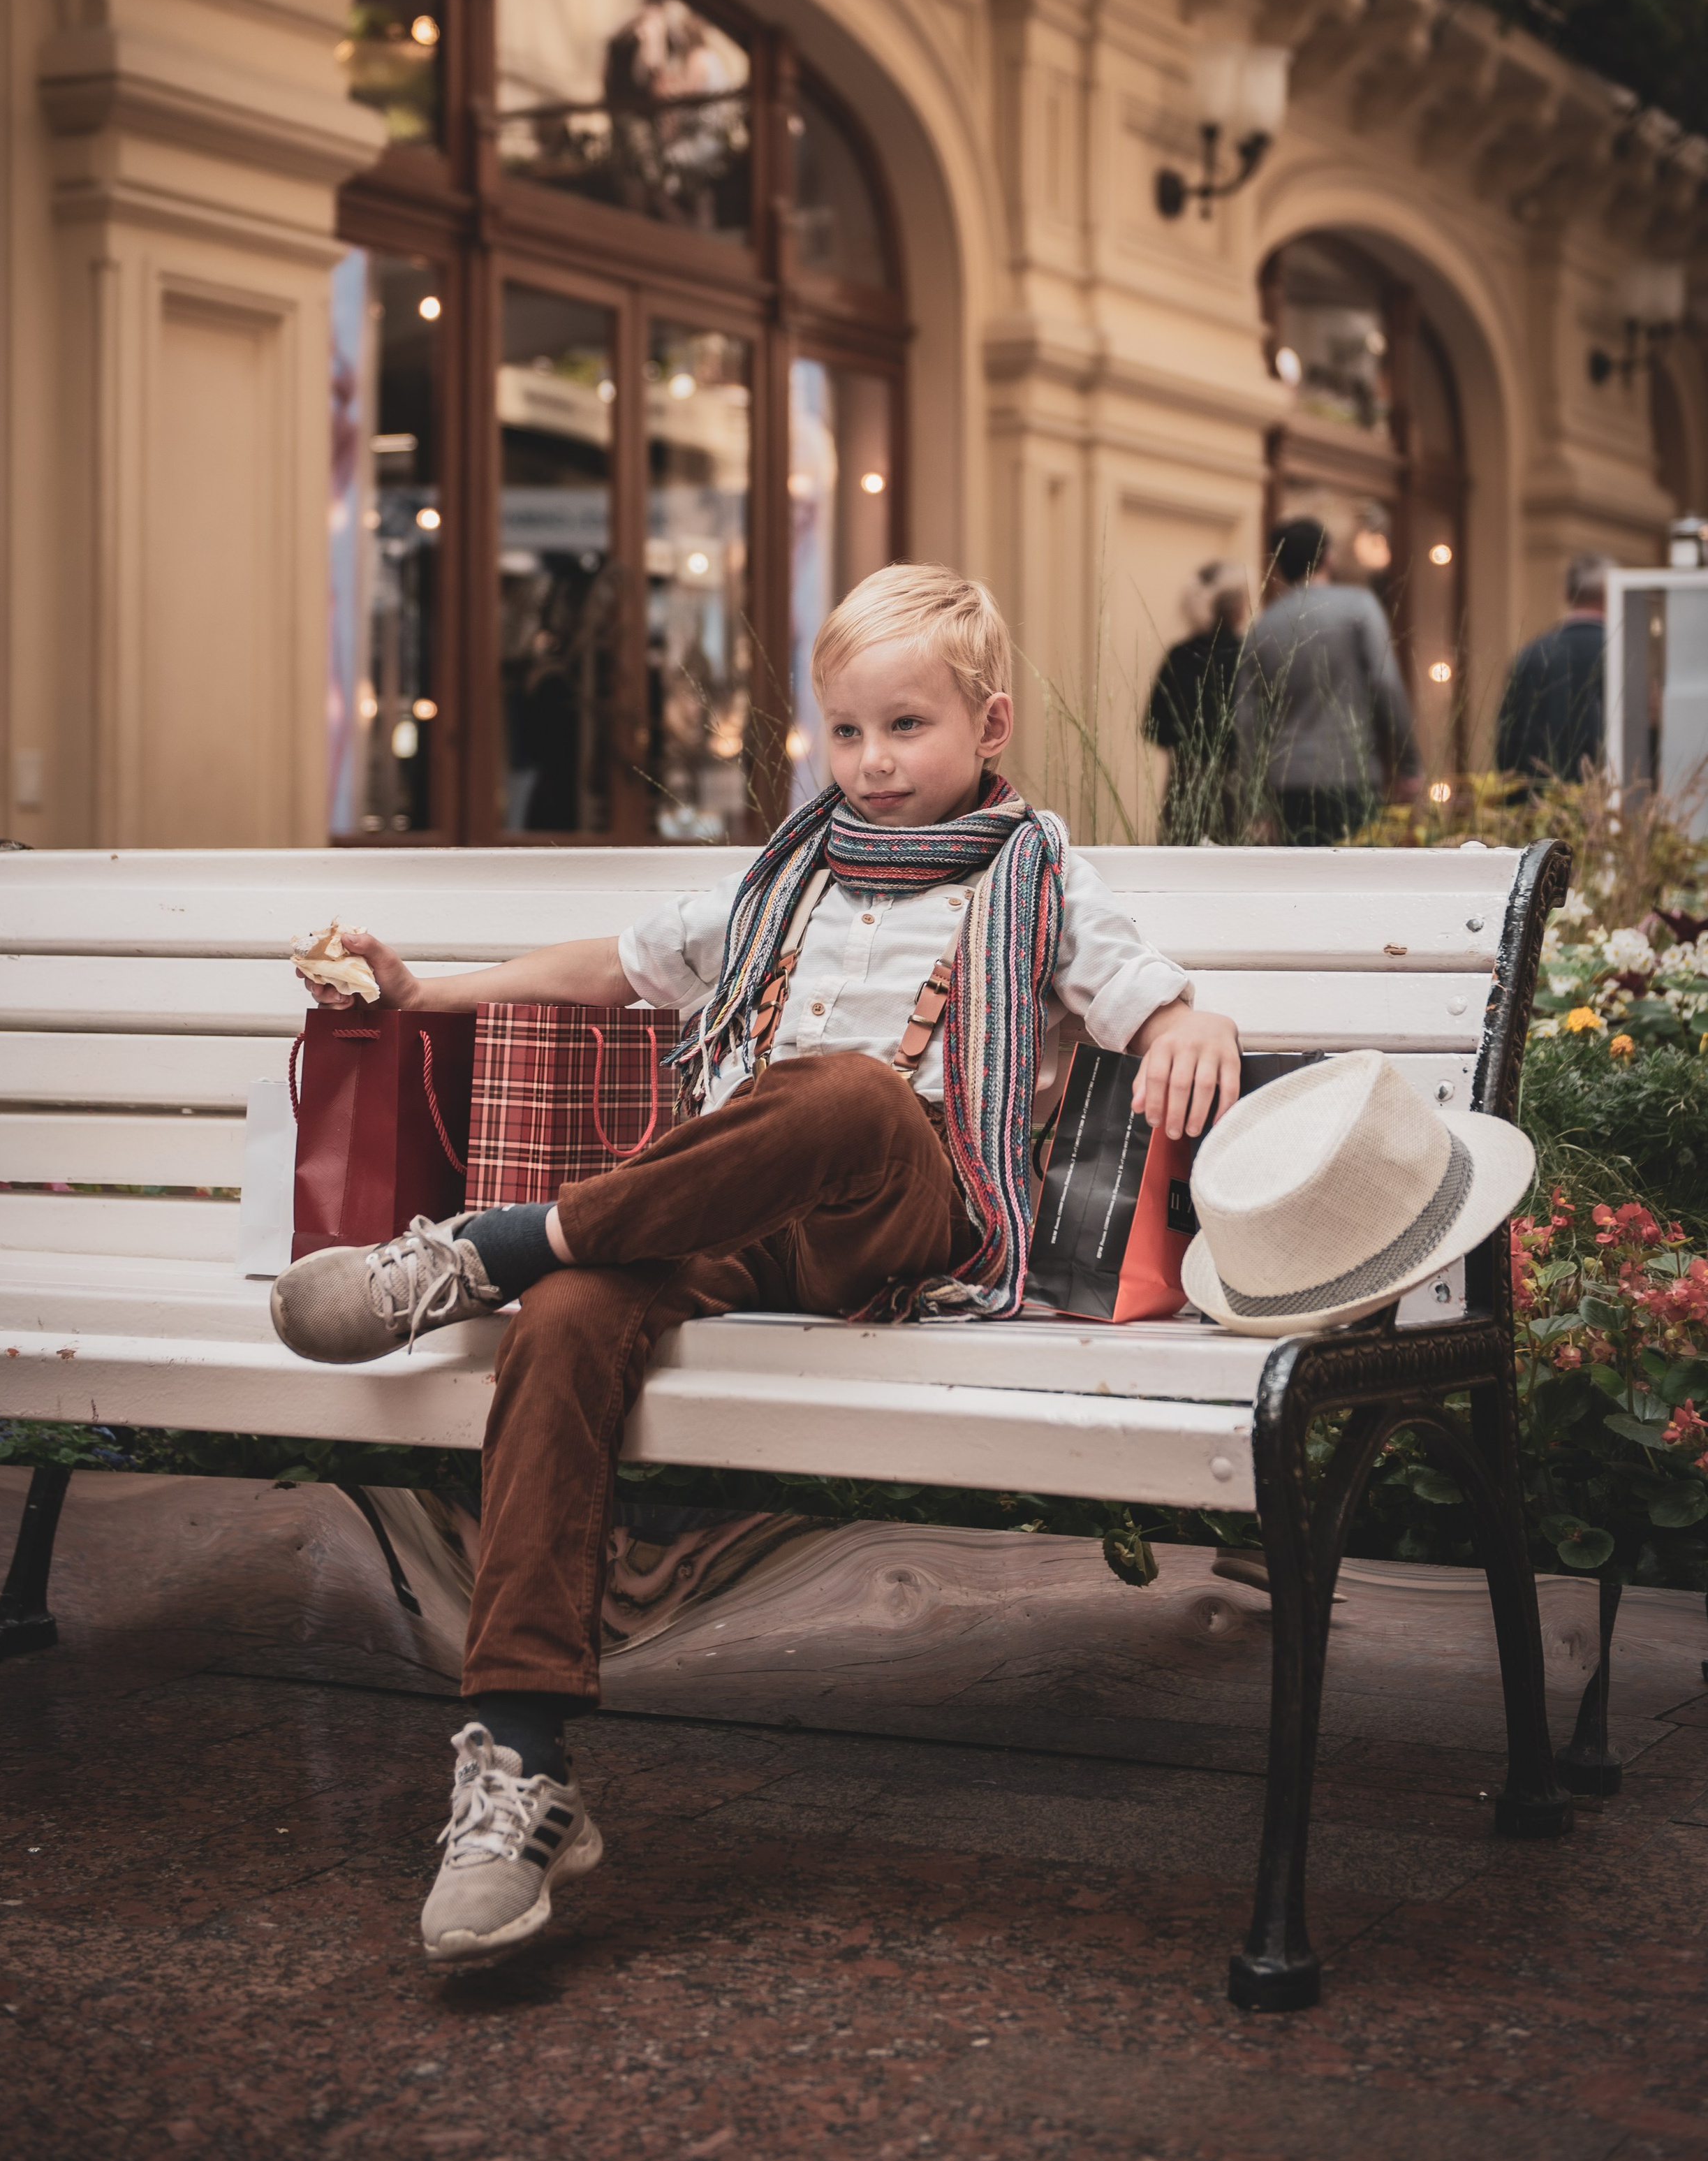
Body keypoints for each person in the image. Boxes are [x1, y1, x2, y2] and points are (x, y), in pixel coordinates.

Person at [271, 564, 1242, 1969]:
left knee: (845, 1088)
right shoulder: (785, 877)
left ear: (989, 727)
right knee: (569, 1312)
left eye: (904, 727)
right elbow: (612, 966)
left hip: (908, 1222)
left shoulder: (1041, 878)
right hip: (724, 1214)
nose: (870, 762)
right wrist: (433, 996)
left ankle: (487, 1247)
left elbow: (1138, 996)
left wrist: (1186, 1025)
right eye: (845, 732)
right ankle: (522, 1761)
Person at [1235, 517, 1421, 844]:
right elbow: (1386, 685)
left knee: (1302, 886)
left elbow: (1247, 721)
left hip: (1286, 781)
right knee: (1355, 882)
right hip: (1351, 774)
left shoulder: (1262, 629)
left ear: (1278, 567)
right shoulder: (1359, 608)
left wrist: (1256, 800)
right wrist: (1408, 764)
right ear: (1330, 557)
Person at [1144, 560, 1251, 840]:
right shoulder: (1249, 655)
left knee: (1180, 867)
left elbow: (1154, 727)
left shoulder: (1180, 655)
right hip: (1236, 782)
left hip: (1184, 782)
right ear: (1236, 607)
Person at [1494, 552, 1607, 785]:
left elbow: (1507, 742)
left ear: (1565, 595)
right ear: (1611, 594)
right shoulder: (1624, 653)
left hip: (1536, 808)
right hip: (1607, 805)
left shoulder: (1531, 655)